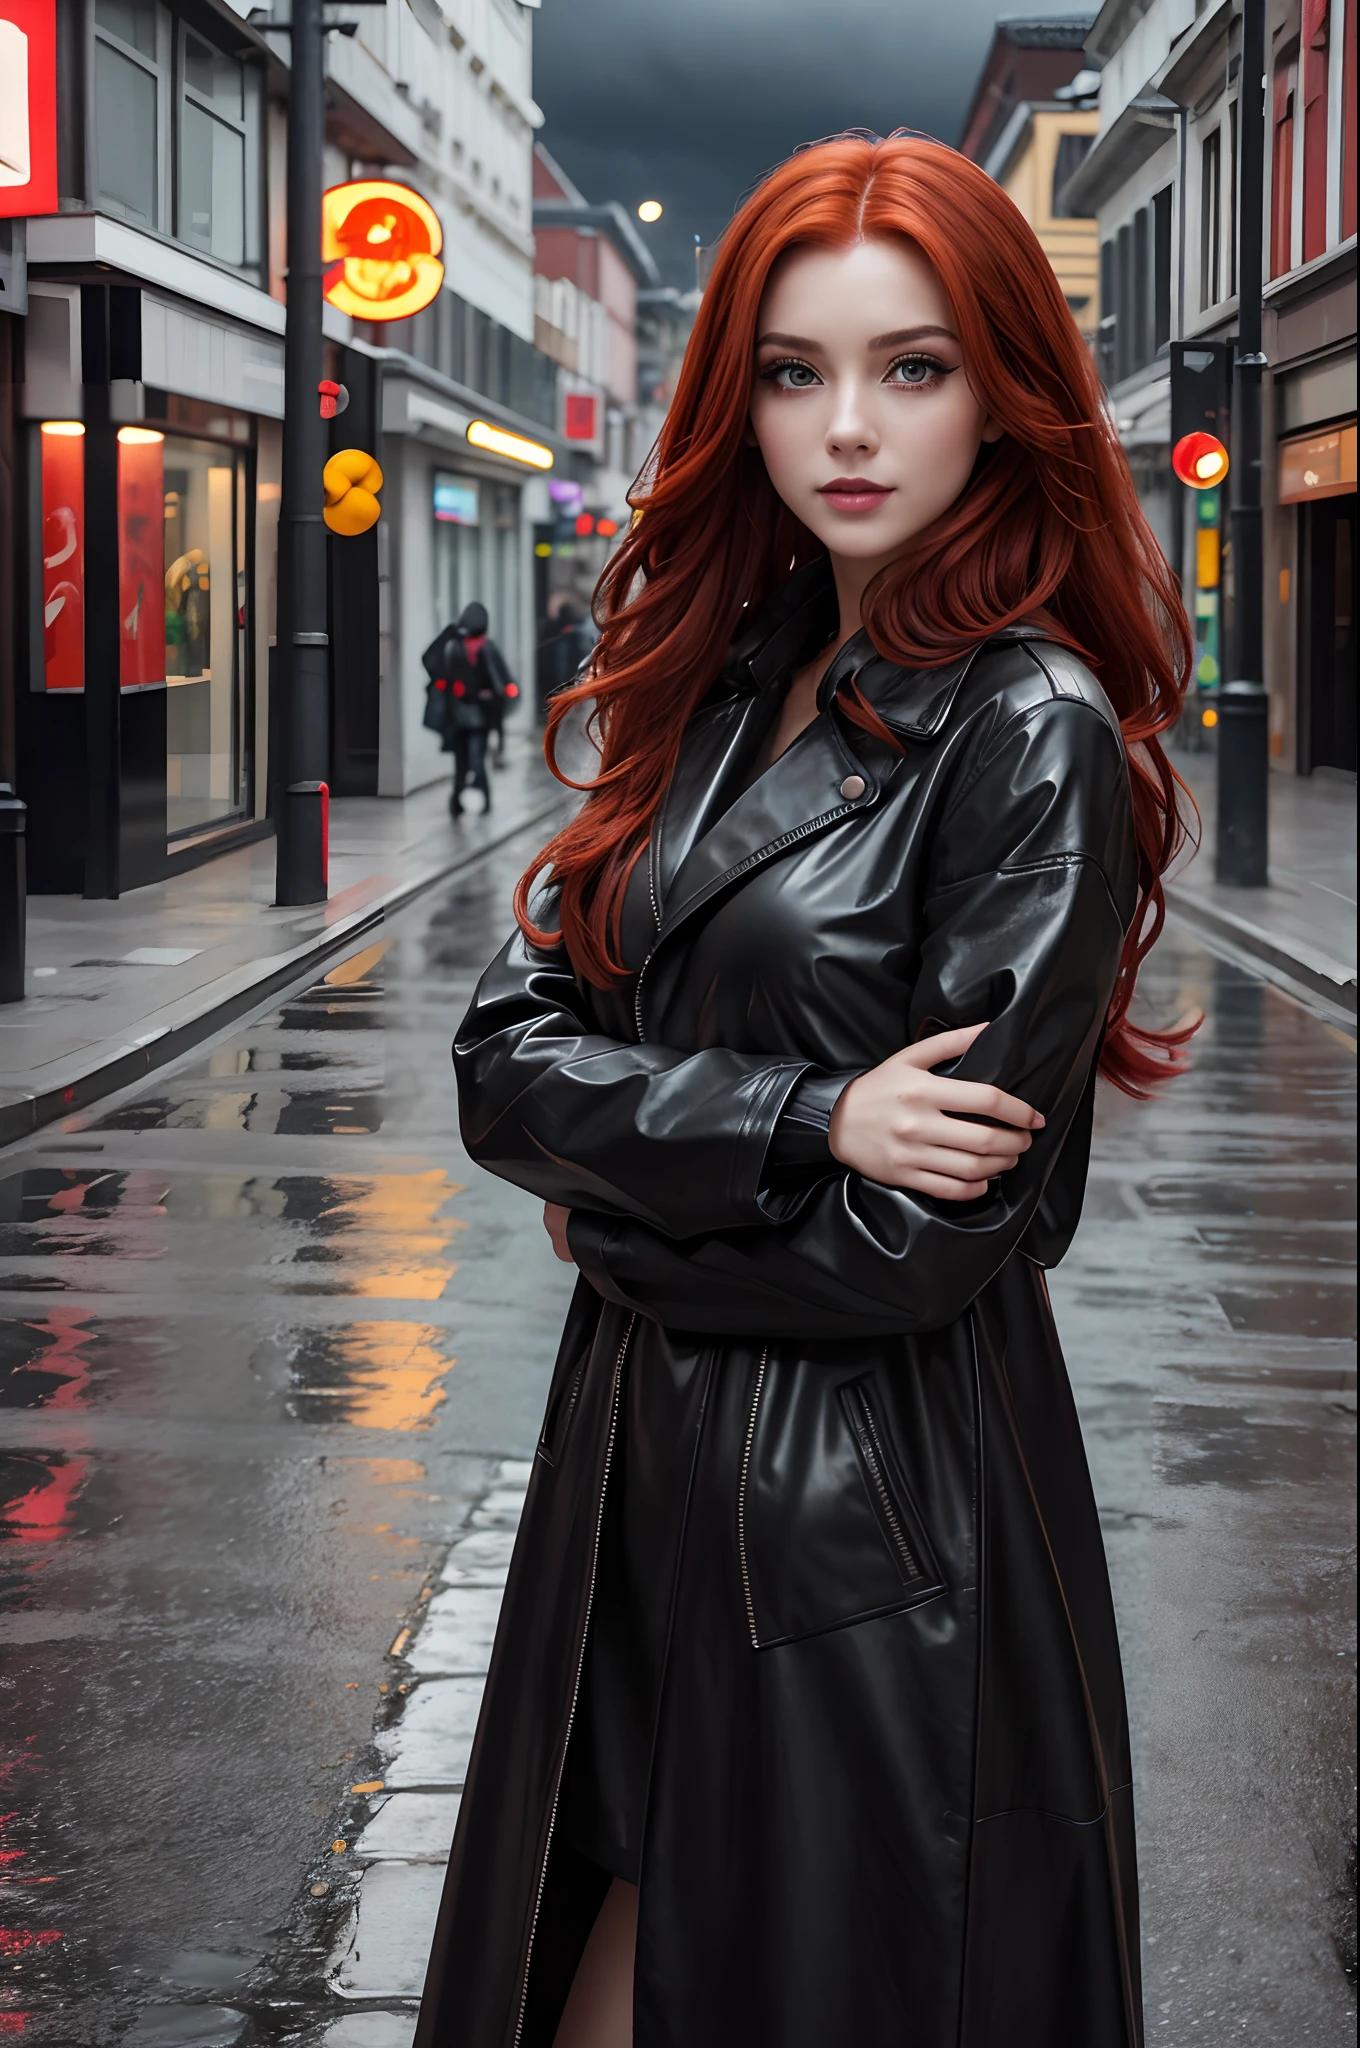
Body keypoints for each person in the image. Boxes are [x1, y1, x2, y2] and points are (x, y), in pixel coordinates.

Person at [416, 134, 1197, 2048]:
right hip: (645, 1477)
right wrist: (797, 1119)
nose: (848, 426)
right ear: (733, 393)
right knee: (587, 1967)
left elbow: (916, 1251)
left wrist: (614, 1204)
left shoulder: (1028, 728)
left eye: (912, 367)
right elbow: (503, 1061)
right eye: (794, 370)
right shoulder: (723, 673)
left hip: (864, 1523)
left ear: (1005, 392)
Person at [422, 602, 516, 814]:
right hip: (457, 716)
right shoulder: (454, 646)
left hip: (478, 717)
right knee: (462, 763)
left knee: (474, 759)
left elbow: (502, 682)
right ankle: (457, 801)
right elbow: (430, 663)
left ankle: (481, 800)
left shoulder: (485, 648)